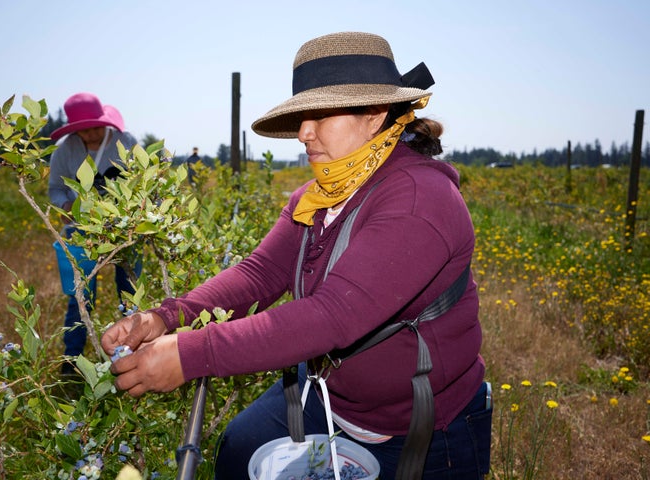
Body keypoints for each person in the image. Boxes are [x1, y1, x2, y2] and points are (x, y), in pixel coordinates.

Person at [102, 32, 490, 479]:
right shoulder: (320, 195)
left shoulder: (420, 200)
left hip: (420, 432)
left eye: (321, 114)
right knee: (236, 452)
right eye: (303, 116)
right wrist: (165, 318)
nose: (305, 132)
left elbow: (333, 317)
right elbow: (260, 274)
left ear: (375, 114)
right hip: (324, 400)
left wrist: (191, 354)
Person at [49, 92, 139, 375]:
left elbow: (144, 181)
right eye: (83, 129)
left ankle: (133, 355)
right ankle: (72, 360)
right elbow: (55, 188)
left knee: (130, 293)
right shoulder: (65, 151)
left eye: (95, 126)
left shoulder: (126, 142)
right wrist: (65, 205)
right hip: (82, 233)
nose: (90, 133)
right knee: (81, 297)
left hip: (125, 232)